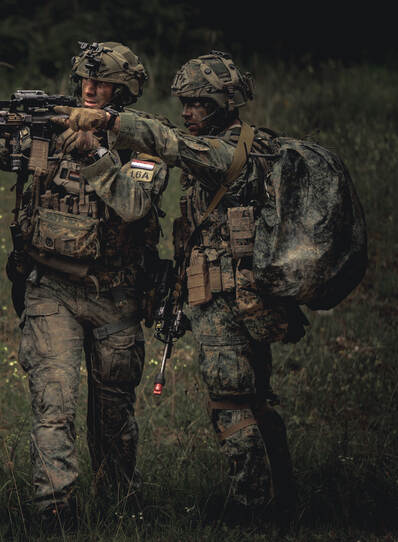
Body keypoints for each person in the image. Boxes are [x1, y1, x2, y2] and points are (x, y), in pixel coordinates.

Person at [56, 50, 301, 529]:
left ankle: (254, 509)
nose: (188, 112)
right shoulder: (237, 143)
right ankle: (281, 497)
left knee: (231, 399)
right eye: (185, 103)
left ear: (226, 103)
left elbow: (166, 142)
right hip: (235, 294)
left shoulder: (228, 151)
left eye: (198, 104)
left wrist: (108, 120)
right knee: (254, 396)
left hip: (231, 299)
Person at [0, 42, 169, 529]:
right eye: (85, 81)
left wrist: (97, 154)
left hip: (116, 294)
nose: (90, 90)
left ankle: (119, 506)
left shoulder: (142, 143)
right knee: (53, 404)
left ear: (125, 91)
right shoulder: (48, 130)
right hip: (50, 288)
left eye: (103, 84)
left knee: (113, 414)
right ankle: (54, 511)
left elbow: (135, 206)